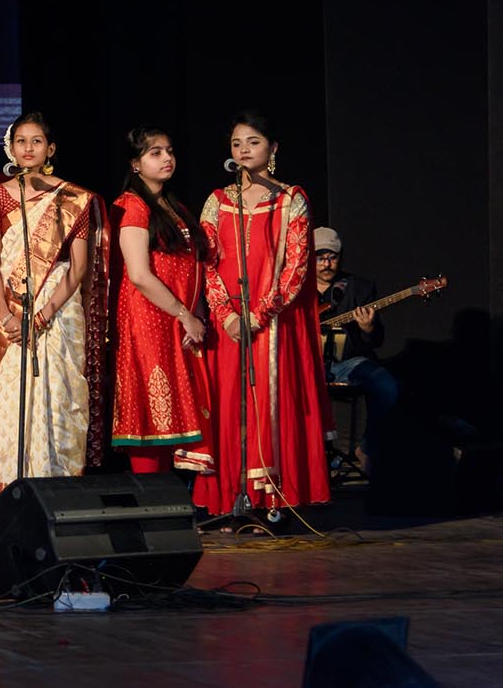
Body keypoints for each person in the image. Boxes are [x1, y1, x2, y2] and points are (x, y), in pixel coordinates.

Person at [193, 111, 332, 515]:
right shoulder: (217, 201)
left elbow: (296, 266)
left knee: (269, 407)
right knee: (230, 406)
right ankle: (231, 501)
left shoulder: (291, 200)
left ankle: (271, 501)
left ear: (272, 148)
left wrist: (258, 315)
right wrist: (227, 315)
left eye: (252, 142)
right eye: (236, 144)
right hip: (228, 325)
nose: (243, 150)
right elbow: (206, 263)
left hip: (271, 324)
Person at [0, 112, 109, 490]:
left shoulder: (74, 198)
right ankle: (14, 492)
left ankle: (59, 488)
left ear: (50, 149)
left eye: (36, 141)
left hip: (59, 309)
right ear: (11, 147)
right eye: (21, 141)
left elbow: (79, 266)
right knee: (15, 402)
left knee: (59, 397)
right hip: (12, 310)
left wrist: (44, 314)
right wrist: (4, 314)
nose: (28, 148)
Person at [109, 128, 213, 476]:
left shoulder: (173, 206)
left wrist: (193, 315)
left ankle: (175, 499)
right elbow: (139, 274)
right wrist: (184, 314)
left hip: (177, 320)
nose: (167, 158)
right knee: (151, 414)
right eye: (155, 153)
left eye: (169, 151)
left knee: (179, 417)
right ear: (135, 164)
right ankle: (152, 499)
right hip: (148, 322)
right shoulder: (132, 205)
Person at [314, 227, 399, 474]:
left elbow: (376, 341)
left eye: (332, 257)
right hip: (307, 365)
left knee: (386, 385)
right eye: (320, 258)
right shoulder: (297, 291)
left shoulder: (360, 288)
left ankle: (368, 448)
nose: (327, 264)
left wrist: (367, 328)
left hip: (348, 362)